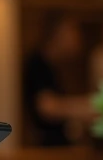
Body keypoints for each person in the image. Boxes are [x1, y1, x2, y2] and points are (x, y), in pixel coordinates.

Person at [22, 10, 96, 146]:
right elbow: (46, 106)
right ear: (58, 32)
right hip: (45, 151)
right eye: (72, 30)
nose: (78, 37)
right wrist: (86, 107)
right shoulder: (37, 63)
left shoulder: (55, 66)